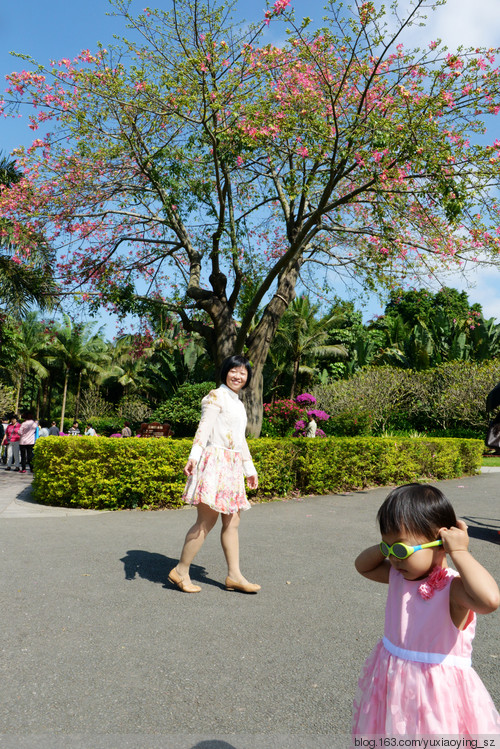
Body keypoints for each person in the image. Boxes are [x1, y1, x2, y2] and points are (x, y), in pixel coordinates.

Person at [352, 483, 500, 736]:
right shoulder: (400, 575)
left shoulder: (453, 588)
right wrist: (385, 547)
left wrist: (460, 551)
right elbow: (362, 566)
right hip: (393, 680)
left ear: (440, 544)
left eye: (401, 549)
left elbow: (489, 600)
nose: (393, 559)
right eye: (388, 549)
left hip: (435, 696)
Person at [169, 355, 260, 594]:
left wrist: (249, 469)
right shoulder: (215, 396)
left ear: (248, 377)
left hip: (231, 467)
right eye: (233, 371)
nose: (238, 376)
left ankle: (234, 575)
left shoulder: (238, 403)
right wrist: (193, 457)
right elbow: (204, 429)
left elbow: (240, 440)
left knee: (233, 522)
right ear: (225, 372)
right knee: (205, 522)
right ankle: (180, 571)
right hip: (214, 464)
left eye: (243, 372)